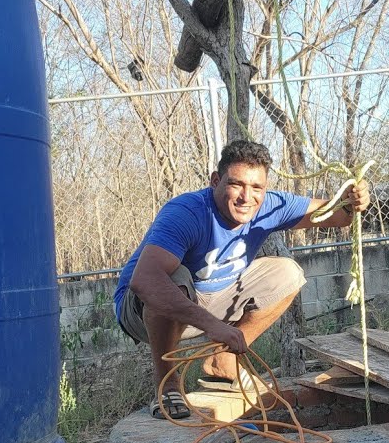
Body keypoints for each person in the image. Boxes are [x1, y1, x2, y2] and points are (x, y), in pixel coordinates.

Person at [114, 139, 371, 419]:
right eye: (236, 184)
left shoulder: (269, 206)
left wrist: (351, 200)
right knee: (172, 277)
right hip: (142, 311)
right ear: (216, 181)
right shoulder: (185, 213)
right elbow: (146, 281)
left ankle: (222, 361)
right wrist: (213, 326)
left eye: (257, 187)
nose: (246, 197)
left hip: (212, 300)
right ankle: (168, 385)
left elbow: (337, 214)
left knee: (287, 272)